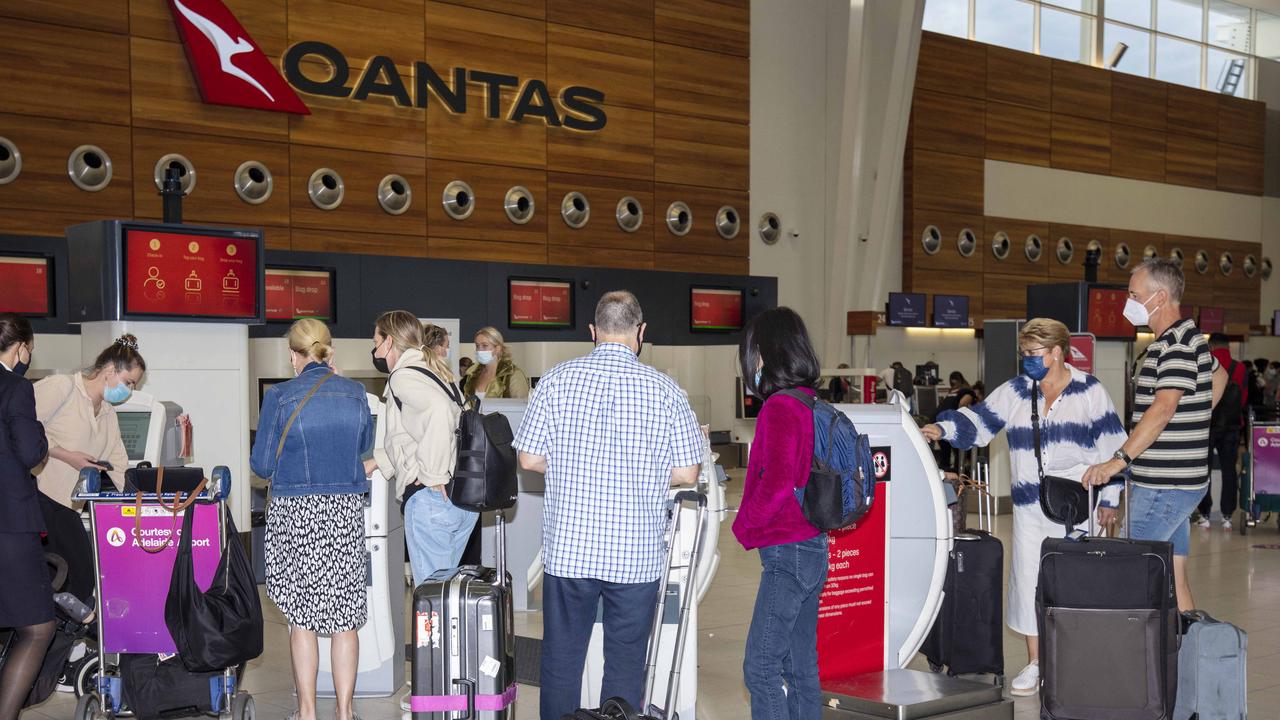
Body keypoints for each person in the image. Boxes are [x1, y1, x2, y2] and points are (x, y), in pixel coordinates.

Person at [514, 291, 703, 720]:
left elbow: (527, 458)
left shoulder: (557, 380)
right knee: (625, 662)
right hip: (635, 555)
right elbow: (689, 472)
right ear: (640, 333)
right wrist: (647, 473)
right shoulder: (666, 390)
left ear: (593, 332)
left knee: (561, 660)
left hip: (570, 550)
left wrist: (568, 468)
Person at [922, 318, 1126, 698]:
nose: (1026, 360)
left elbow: (1114, 446)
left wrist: (1111, 500)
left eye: (1033, 353)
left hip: (1079, 507)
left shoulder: (1090, 392)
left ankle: (1075, 661)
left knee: (1077, 586)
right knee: (1029, 583)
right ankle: (1037, 664)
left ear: (1057, 353)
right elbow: (980, 421)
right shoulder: (1016, 391)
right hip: (1030, 509)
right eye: (1024, 353)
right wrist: (941, 429)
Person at [1083, 258, 1228, 613]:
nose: (1127, 302)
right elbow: (1220, 376)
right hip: (1179, 481)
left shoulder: (1176, 344)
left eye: (1134, 294)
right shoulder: (1188, 337)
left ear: (1159, 297)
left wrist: (1117, 461)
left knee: (1130, 573)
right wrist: (1192, 420)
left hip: (1165, 485)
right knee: (1175, 576)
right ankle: (1186, 659)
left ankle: (1131, 663)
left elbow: (1161, 410)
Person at [250, 319, 374, 720]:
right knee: (345, 619)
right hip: (343, 513)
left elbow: (262, 465)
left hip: (297, 515)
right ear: (329, 351)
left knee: (301, 618)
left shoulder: (281, 396)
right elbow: (364, 447)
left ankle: (306, 712)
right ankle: (345, 712)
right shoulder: (356, 393)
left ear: (292, 355)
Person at [732, 307, 828, 720]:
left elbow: (776, 483)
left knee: (761, 667)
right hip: (813, 547)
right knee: (801, 666)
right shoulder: (811, 403)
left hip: (787, 554)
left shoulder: (779, 408)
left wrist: (744, 525)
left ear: (766, 353)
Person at [34, 335, 144, 604]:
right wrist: (66, 456)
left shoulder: (107, 412)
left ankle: (63, 641)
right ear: (109, 370)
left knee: (80, 578)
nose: (129, 390)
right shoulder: (61, 388)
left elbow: (118, 465)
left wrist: (139, 503)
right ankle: (52, 640)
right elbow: (19, 432)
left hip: (70, 504)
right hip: (39, 497)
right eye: (128, 382)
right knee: (70, 577)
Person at [0, 314, 52, 720]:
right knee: (36, 628)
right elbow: (30, 454)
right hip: (10, 523)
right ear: (20, 349)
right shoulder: (16, 389)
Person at [1196, 334, 1245, 531]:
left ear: (1211, 346)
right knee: (1229, 471)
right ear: (1228, 346)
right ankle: (1227, 516)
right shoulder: (1240, 368)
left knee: (1203, 471)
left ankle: (1204, 515)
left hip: (1207, 425)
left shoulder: (1206, 364)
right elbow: (1244, 397)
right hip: (1232, 427)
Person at [461, 327, 529, 400]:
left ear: (497, 349)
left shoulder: (512, 374)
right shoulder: (472, 375)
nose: (479, 350)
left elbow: (522, 406)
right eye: (477, 346)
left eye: (485, 346)